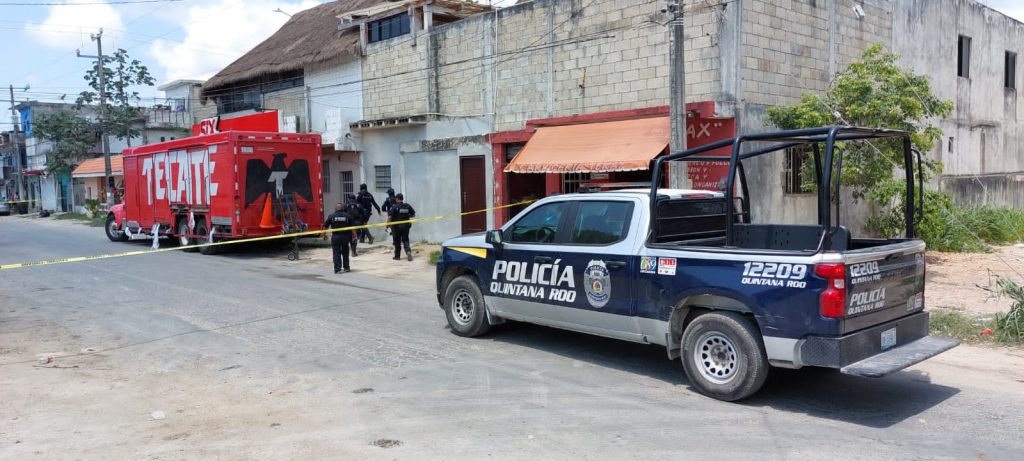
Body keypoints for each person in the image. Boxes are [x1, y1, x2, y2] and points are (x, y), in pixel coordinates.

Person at [322, 203, 357, 273]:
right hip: (345, 237)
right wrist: (355, 236)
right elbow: (352, 227)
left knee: (336, 253)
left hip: (336, 237)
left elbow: (325, 226)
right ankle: (346, 267)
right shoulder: (348, 216)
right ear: (343, 208)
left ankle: (337, 269)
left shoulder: (331, 216)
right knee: (345, 252)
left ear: (335, 209)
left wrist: (324, 235)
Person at [386, 193, 416, 261]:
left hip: (397, 227)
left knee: (397, 241)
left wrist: (387, 225)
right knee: (405, 240)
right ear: (402, 199)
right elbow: (413, 214)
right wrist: (407, 216)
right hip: (406, 226)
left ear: (397, 199)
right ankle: (408, 251)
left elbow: (390, 217)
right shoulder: (407, 206)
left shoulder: (394, 207)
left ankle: (397, 256)